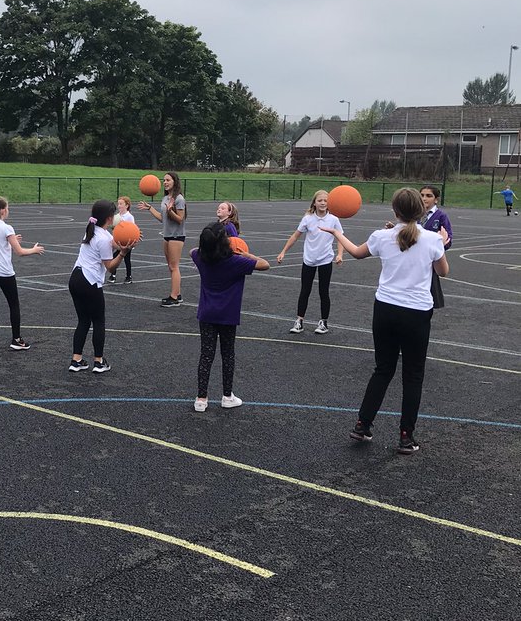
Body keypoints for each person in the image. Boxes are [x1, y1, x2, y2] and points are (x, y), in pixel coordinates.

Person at [321, 187, 448, 454]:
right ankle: (405, 436)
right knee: (413, 375)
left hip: (386, 309)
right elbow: (443, 272)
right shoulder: (432, 239)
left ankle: (362, 424)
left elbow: (356, 252)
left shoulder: (382, 236)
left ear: (395, 210)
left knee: (383, 369)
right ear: (422, 210)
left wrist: (336, 233)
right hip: (416, 313)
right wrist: (442, 241)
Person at [191, 222, 269, 411]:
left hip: (207, 314)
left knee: (206, 355)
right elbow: (265, 265)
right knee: (228, 354)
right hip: (228, 315)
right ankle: (227, 396)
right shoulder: (236, 261)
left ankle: (201, 398)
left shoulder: (199, 257)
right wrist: (245, 254)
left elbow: (193, 250)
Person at [68, 200, 130, 373]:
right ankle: (98, 362)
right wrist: (123, 254)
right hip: (89, 281)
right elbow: (111, 267)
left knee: (83, 321)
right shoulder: (103, 238)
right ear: (110, 219)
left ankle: (76, 360)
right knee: (99, 321)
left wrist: (127, 242)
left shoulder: (92, 230)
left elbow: (115, 243)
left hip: (75, 278)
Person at [0, 193, 44, 353]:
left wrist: (12, 240)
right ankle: (16, 339)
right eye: (7, 208)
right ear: (2, 211)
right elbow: (20, 252)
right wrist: (34, 250)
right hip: (4, 273)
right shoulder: (7, 228)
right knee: (14, 305)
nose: (8, 210)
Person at [276, 190, 343, 334]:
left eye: (325, 200)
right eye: (320, 200)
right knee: (304, 291)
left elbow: (340, 238)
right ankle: (299, 321)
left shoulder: (334, 220)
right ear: (314, 203)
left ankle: (323, 322)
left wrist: (340, 254)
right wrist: (283, 251)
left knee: (323, 292)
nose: (323, 203)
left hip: (325, 260)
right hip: (309, 260)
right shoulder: (308, 219)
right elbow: (295, 236)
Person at [139, 171, 186, 306]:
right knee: (171, 267)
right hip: (167, 235)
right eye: (164, 180)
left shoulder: (179, 199)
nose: (165, 182)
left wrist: (171, 211)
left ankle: (174, 298)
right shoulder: (166, 198)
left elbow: (180, 219)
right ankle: (177, 293)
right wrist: (150, 208)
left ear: (174, 182)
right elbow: (162, 219)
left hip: (176, 236)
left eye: (168, 180)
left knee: (174, 266)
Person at [419, 184, 453, 309]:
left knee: (428, 297)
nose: (424, 198)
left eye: (428, 196)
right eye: (422, 195)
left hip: (430, 262)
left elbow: (448, 240)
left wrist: (438, 247)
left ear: (436, 199)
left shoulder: (441, 216)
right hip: (415, 260)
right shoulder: (415, 215)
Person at [108, 195, 136, 284]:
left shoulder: (129, 217)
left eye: (121, 204)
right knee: (114, 257)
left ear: (127, 205)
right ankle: (113, 275)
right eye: (118, 204)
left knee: (126, 259)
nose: (119, 205)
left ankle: (128, 276)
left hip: (127, 242)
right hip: (118, 241)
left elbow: (132, 229)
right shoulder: (116, 216)